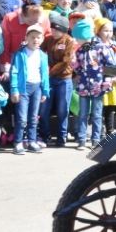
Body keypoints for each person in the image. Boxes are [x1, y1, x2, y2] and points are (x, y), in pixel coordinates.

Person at [72, 18, 116, 150]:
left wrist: (108, 80)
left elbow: (110, 65)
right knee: (83, 113)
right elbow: (79, 69)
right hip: (83, 86)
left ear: (85, 35)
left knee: (97, 114)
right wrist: (75, 66)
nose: (77, 41)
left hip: (99, 86)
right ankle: (81, 139)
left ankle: (96, 139)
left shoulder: (101, 48)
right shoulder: (79, 51)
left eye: (78, 38)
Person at [9, 24, 49, 155]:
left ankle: (32, 141)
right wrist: (14, 90)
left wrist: (45, 91)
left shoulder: (43, 55)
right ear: (26, 37)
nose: (35, 40)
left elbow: (45, 74)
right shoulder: (19, 54)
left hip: (37, 88)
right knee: (21, 118)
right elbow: (14, 72)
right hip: (23, 88)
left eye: (38, 37)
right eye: (32, 37)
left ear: (42, 39)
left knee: (33, 117)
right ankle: (18, 142)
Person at [41, 13, 76, 147]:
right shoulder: (48, 40)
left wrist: (50, 71)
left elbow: (66, 61)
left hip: (64, 79)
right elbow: (40, 51)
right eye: (52, 29)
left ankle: (61, 136)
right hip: (49, 79)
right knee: (44, 108)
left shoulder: (69, 41)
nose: (53, 31)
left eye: (57, 29)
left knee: (63, 109)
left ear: (63, 30)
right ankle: (44, 135)